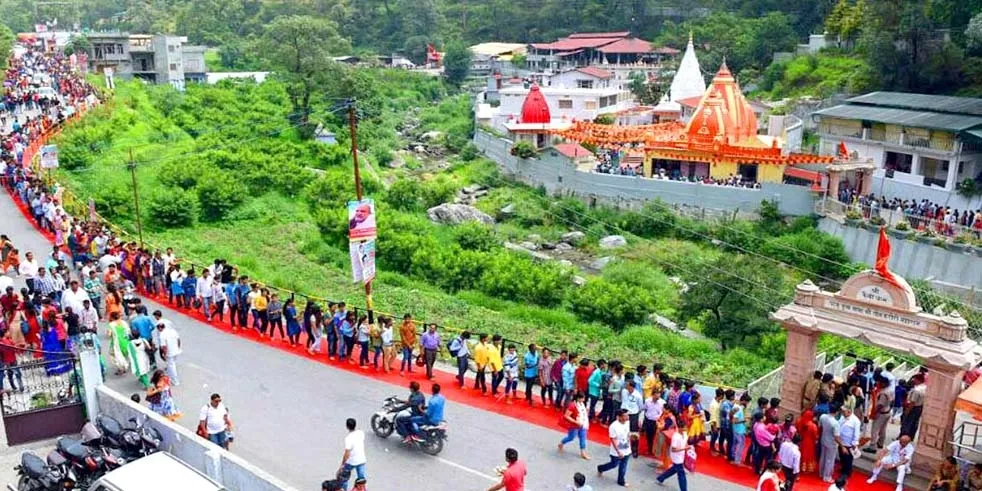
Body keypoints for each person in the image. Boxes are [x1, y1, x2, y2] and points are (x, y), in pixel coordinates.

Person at [597, 409, 631, 487]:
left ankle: (621, 481)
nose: (627, 417)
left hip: (626, 448)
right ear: (619, 417)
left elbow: (628, 433)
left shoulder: (627, 422)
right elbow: (613, 439)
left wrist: (629, 441)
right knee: (614, 464)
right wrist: (618, 451)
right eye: (625, 416)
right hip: (617, 450)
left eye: (627, 415)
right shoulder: (613, 426)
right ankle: (601, 468)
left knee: (623, 465)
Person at [655, 418, 690, 491]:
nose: (686, 428)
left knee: (674, 469)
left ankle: (660, 478)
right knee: (681, 474)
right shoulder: (675, 437)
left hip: (681, 455)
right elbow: (674, 449)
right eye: (685, 427)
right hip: (676, 457)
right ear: (680, 428)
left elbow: (685, 442)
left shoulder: (685, 434)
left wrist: (687, 448)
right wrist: (685, 449)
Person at [557, 392, 589, 460]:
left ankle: (583, 452)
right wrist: (575, 422)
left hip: (582, 424)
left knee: (583, 438)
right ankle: (562, 443)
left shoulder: (582, 404)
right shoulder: (572, 406)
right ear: (578, 398)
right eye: (582, 398)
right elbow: (566, 416)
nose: (584, 399)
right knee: (571, 437)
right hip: (574, 425)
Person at [338, 418, 366, 491]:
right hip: (361, 459)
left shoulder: (348, 438)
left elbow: (347, 453)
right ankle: (361, 489)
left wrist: (342, 464)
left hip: (351, 461)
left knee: (344, 478)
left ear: (347, 427)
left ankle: (344, 489)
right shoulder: (361, 433)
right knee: (361, 478)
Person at [867, 377, 893, 451]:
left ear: (884, 383)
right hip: (887, 411)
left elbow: (880, 405)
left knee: (875, 429)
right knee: (883, 429)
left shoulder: (883, 393)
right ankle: (880, 443)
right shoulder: (890, 390)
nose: (878, 384)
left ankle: (872, 446)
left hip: (881, 412)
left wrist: (874, 413)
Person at [836, 406, 861, 480]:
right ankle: (843, 469)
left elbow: (857, 433)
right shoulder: (843, 417)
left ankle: (846, 474)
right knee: (842, 457)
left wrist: (854, 443)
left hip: (849, 444)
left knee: (848, 460)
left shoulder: (856, 421)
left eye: (844, 412)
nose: (842, 413)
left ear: (849, 412)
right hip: (841, 442)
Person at [818, 404, 841, 482]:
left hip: (823, 439)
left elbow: (820, 427)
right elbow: (836, 437)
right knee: (830, 460)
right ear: (837, 412)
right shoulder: (835, 423)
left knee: (823, 457)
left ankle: (821, 473)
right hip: (832, 443)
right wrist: (842, 445)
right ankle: (827, 476)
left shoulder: (823, 417)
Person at [157, 321, 182, 386]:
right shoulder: (173, 331)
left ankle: (175, 381)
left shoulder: (162, 335)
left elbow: (164, 347)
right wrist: (178, 348)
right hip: (176, 351)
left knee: (171, 366)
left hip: (169, 353)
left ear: (160, 328)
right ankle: (170, 374)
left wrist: (164, 354)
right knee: (172, 364)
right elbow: (178, 340)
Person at [795, 409, 818, 475]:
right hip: (810, 442)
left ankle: (800, 466)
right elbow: (815, 436)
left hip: (801, 441)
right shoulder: (813, 426)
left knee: (801, 453)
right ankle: (807, 468)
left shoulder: (799, 421)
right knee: (809, 455)